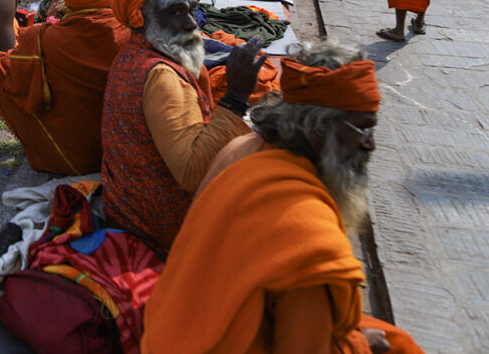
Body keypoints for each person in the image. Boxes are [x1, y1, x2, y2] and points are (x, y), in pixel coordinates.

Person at [144, 40, 423, 354]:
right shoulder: (309, 240)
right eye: (363, 128)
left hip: (172, 331)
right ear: (319, 126)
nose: (370, 144)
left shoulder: (241, 149)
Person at [101, 0, 264, 256]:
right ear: (140, 16)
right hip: (163, 228)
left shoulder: (135, 50)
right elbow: (190, 173)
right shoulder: (161, 77)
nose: (191, 23)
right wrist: (237, 97)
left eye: (193, 9)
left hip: (130, 208)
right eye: (175, 11)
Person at [0, 0, 127, 175]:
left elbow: (4, 66)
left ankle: (43, 143)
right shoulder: (132, 31)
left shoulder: (44, 39)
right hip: (127, 152)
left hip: (73, 159)